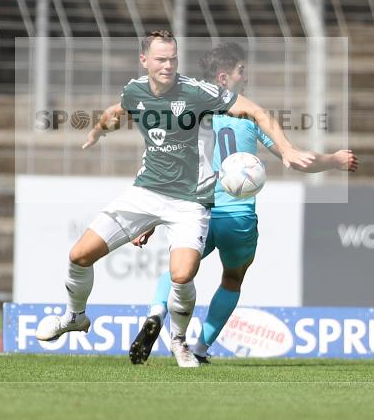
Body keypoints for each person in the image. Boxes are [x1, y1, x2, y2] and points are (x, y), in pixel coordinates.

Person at [34, 30, 315, 368]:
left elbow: (257, 111)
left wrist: (286, 149)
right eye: (160, 59)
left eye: (172, 59)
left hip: (190, 201)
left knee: (181, 275)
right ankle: (75, 316)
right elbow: (117, 111)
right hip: (145, 192)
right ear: (144, 61)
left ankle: (179, 342)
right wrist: (97, 131)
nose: (168, 65)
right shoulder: (135, 90)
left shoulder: (198, 92)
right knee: (79, 255)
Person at [128, 42, 358, 364]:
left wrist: (149, 222)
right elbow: (296, 159)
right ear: (224, 78)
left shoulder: (191, 117)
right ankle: (201, 347)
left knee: (179, 271)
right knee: (232, 279)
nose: (245, 78)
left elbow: (170, 171)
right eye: (241, 72)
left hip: (198, 213)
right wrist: (332, 160)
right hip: (238, 218)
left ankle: (155, 313)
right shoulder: (250, 117)